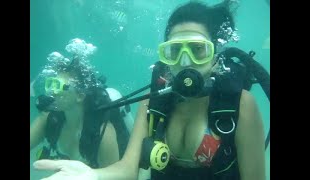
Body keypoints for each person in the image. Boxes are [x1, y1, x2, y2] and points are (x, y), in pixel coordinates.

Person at [33, 1, 268, 180]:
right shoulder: (153, 103)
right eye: (174, 51)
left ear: (215, 57)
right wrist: (93, 175)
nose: (186, 62)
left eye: (198, 50)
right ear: (165, 58)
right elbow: (128, 168)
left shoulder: (239, 104)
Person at [30, 40, 132, 169]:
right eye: (51, 84)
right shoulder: (49, 118)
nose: (52, 93)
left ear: (80, 95)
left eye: (59, 86)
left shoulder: (102, 133)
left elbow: (115, 176)